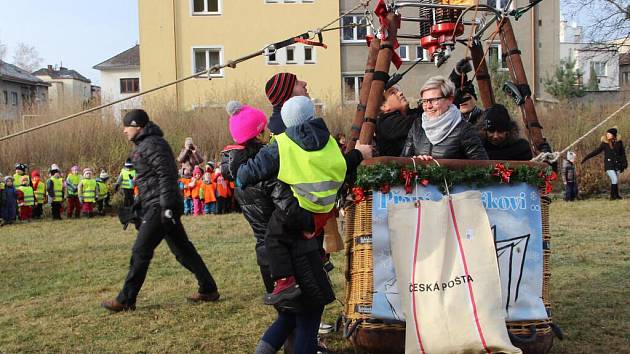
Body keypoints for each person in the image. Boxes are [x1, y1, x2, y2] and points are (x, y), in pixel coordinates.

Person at [222, 100, 340, 354]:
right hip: (294, 251)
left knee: (288, 317)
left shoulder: (239, 168)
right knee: (310, 314)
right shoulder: (272, 168)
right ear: (260, 133)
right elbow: (291, 210)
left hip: (268, 256)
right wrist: (316, 220)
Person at [237, 96, 369, 305]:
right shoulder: (329, 141)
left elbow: (251, 172)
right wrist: (359, 154)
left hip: (299, 205)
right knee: (301, 235)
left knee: (273, 237)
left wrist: (240, 176)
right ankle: (321, 259)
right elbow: (342, 164)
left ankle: (285, 282)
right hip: (324, 207)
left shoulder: (282, 143)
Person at [101, 109, 219, 312]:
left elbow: (166, 175)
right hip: (158, 204)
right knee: (183, 250)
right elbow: (150, 180)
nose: (124, 130)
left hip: (161, 206)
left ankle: (126, 299)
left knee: (141, 251)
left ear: (137, 126)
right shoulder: (146, 144)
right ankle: (208, 289)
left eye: (126, 126)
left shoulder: (153, 144)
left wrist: (166, 208)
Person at [401, 75, 488, 160]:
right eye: (424, 101)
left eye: (433, 100)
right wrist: (415, 161)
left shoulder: (464, 129)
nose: (428, 106)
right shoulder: (417, 126)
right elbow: (403, 160)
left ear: (450, 99)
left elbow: (482, 167)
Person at [581, 127, 627, 200]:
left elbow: (622, 154)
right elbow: (596, 151)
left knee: (615, 180)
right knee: (614, 179)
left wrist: (624, 163)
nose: (607, 135)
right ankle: (612, 197)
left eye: (609, 134)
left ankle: (617, 195)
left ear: (613, 134)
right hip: (609, 165)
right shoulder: (604, 144)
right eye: (607, 134)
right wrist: (585, 158)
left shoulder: (619, 143)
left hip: (617, 165)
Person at [375, 85, 420, 157]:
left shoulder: (407, 115)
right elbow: (421, 120)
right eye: (393, 93)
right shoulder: (387, 123)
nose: (400, 93)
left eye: (398, 91)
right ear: (384, 106)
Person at [449, 58, 484, 125]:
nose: (462, 101)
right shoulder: (450, 121)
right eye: (459, 98)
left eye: (466, 97)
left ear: (475, 98)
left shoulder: (485, 119)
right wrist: (457, 73)